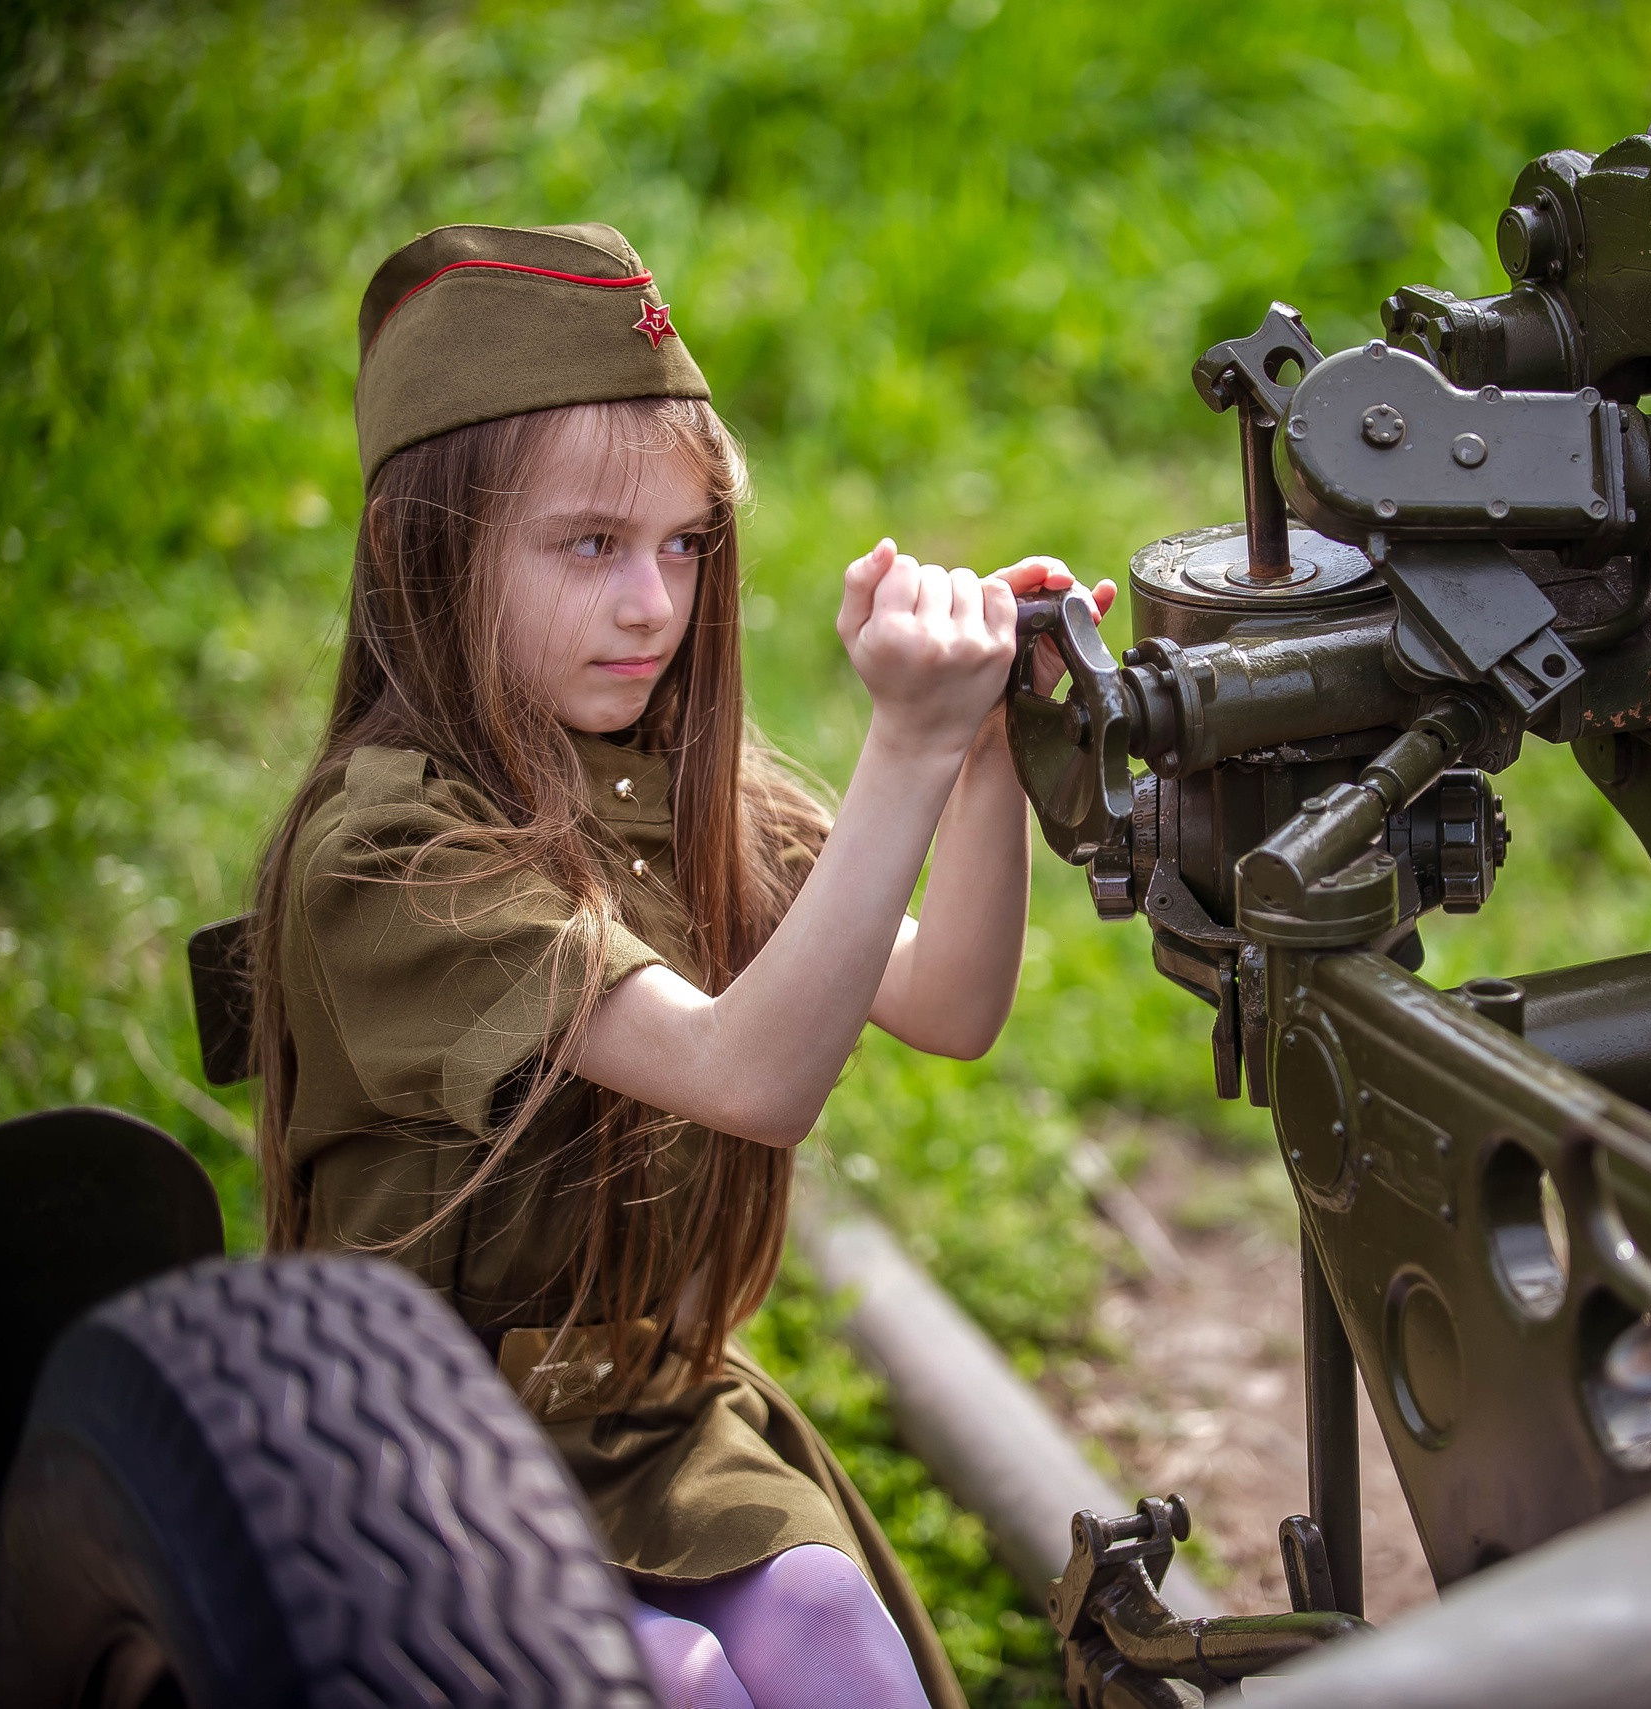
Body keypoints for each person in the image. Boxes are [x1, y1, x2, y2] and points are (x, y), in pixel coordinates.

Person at [244, 222, 1112, 1709]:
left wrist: (977, 760)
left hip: (641, 1417)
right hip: (403, 1450)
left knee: (831, 1623)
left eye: (685, 544)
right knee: (681, 1684)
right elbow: (751, 1076)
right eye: (591, 543)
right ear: (424, 550)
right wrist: (897, 750)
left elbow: (951, 1005)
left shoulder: (685, 789)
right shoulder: (389, 857)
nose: (655, 603)